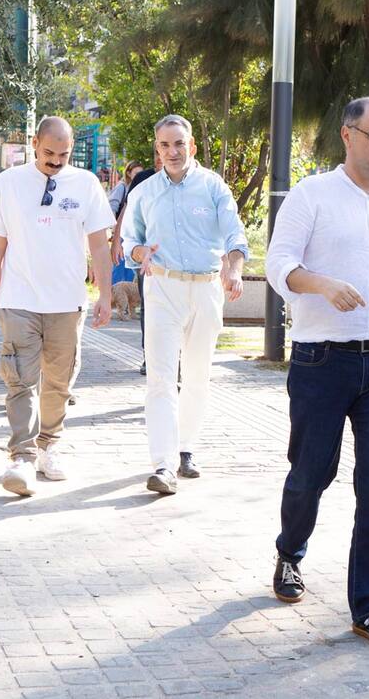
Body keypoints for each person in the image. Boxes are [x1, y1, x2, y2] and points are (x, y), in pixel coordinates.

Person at [265, 97, 369, 653]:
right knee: (311, 473)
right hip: (322, 361)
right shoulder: (312, 195)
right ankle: (290, 551)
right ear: (347, 135)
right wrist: (322, 284)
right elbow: (279, 264)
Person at [0, 116, 115, 496]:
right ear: (35, 143)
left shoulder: (86, 184)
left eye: (63, 154)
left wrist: (104, 295)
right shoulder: (10, 183)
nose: (55, 160)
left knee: (58, 380)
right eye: (49, 152)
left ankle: (49, 445)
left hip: (67, 302)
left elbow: (99, 243)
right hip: (19, 298)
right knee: (20, 378)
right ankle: (21, 456)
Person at [121, 114, 248, 494]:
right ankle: (162, 465)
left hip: (206, 289)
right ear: (157, 149)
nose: (172, 151)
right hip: (163, 288)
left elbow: (234, 234)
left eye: (179, 144)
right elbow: (130, 241)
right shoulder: (144, 192)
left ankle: (186, 449)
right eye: (164, 145)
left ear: (191, 146)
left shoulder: (213, 187)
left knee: (197, 375)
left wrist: (235, 270)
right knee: (160, 378)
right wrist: (140, 252)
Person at [112, 152, 162, 374]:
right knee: (149, 307)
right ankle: (149, 356)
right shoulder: (144, 179)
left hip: (178, 264)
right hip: (145, 258)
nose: (161, 157)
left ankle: (177, 358)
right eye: (158, 151)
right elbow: (127, 210)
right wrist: (117, 241)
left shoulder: (193, 181)